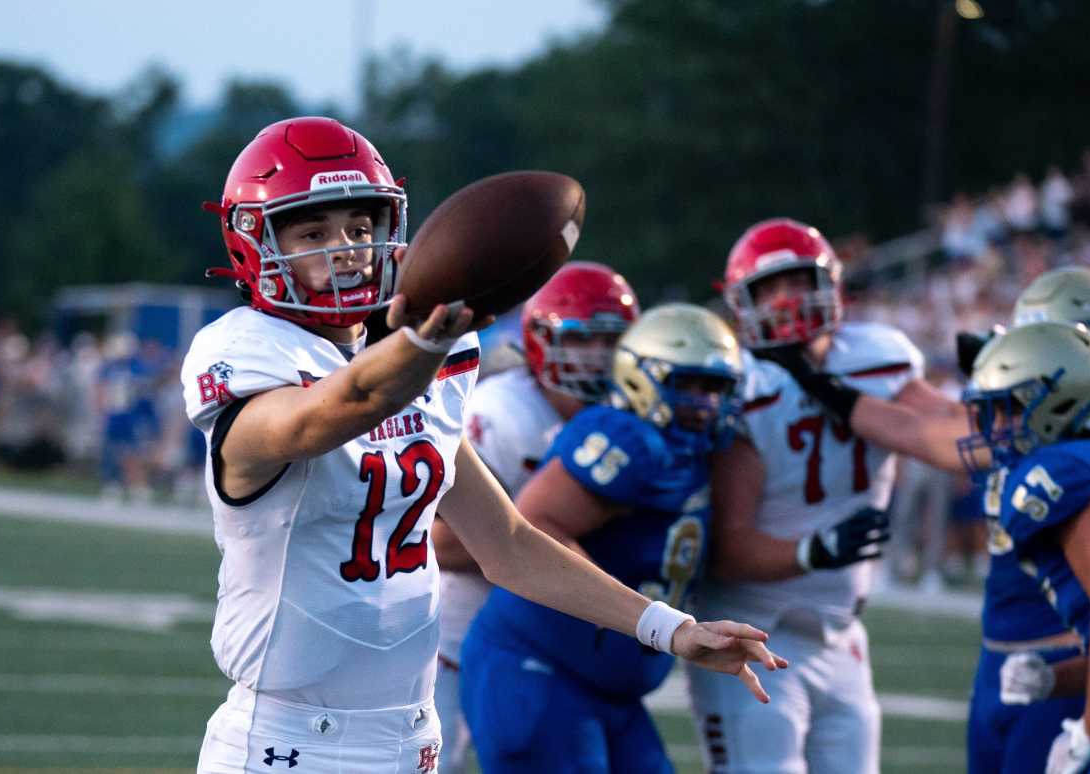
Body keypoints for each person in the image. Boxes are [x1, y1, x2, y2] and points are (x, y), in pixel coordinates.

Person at [182, 116, 785, 774]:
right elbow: (337, 409)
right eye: (314, 231)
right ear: (255, 240)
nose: (347, 248)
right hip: (288, 741)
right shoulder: (246, 352)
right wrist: (420, 345)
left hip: (409, 738)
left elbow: (511, 544)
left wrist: (673, 628)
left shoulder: (424, 363)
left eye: (360, 227)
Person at [770, 264, 1090, 773]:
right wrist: (824, 387)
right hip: (1017, 658)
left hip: (1075, 656)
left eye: (1038, 341)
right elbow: (932, 436)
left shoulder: (1075, 445)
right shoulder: (1039, 428)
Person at [461, 303, 773, 772]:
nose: (706, 403)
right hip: (542, 669)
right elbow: (535, 524)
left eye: (716, 388)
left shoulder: (695, 450)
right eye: (688, 386)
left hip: (608, 685)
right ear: (640, 377)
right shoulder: (628, 439)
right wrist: (631, 615)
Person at [690, 218, 925, 774]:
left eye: (798, 281)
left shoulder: (875, 354)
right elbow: (726, 546)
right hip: (752, 627)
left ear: (832, 284)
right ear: (741, 303)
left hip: (843, 631)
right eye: (769, 288)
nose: (787, 300)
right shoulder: (740, 383)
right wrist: (813, 550)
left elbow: (937, 431)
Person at [431, 260, 640, 773]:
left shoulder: (630, 414)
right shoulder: (500, 412)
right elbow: (438, 541)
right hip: (455, 638)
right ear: (542, 340)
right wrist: (543, 535)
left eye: (611, 341)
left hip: (557, 642)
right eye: (582, 340)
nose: (598, 357)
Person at [962, 321, 1090, 772]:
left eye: (1011, 409)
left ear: (1060, 403)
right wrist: (1055, 679)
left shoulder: (1062, 471)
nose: (997, 428)